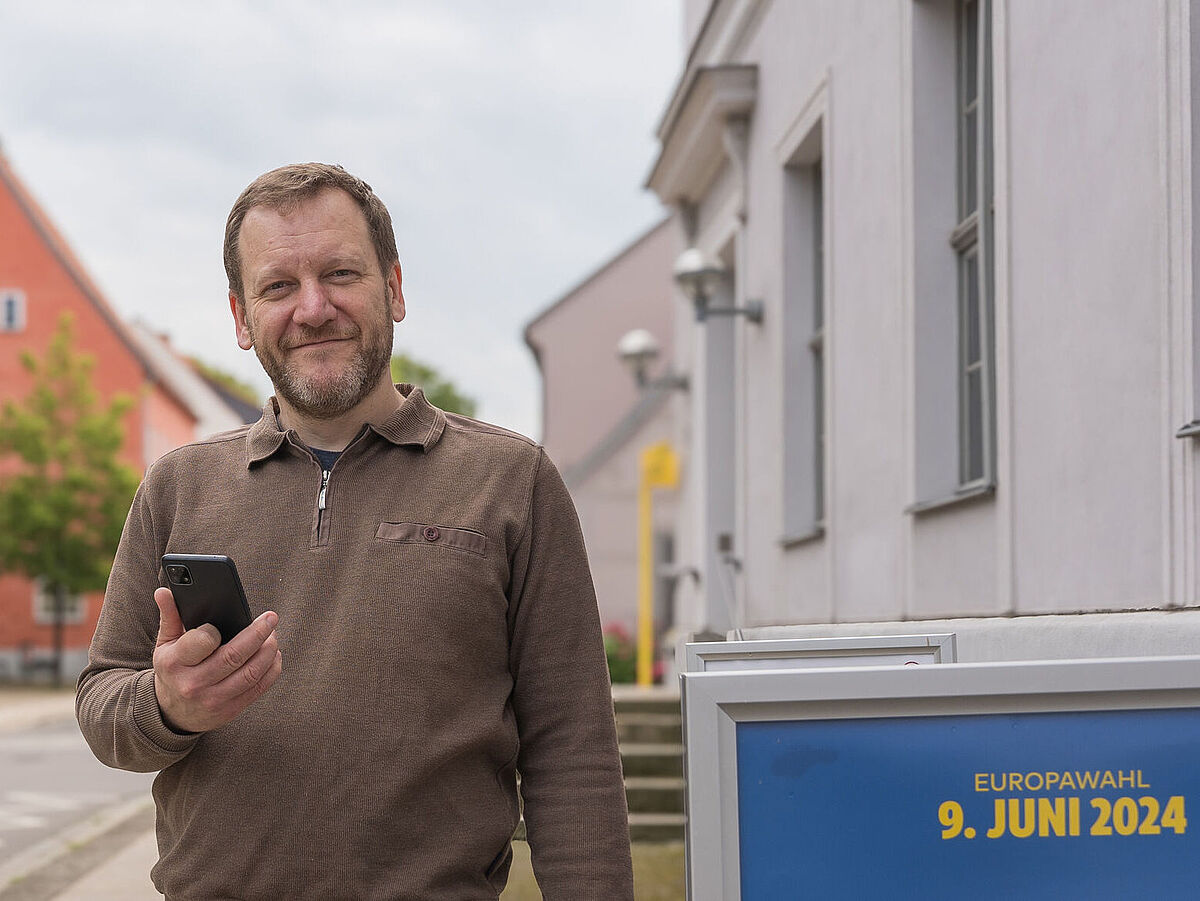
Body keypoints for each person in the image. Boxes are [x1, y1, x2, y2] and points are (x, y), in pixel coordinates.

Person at [76, 163, 634, 900]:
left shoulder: (512, 481)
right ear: (241, 319)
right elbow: (102, 703)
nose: (313, 308)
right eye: (278, 286)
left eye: (340, 273)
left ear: (394, 288)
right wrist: (169, 706)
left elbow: (573, 751)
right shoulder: (178, 487)